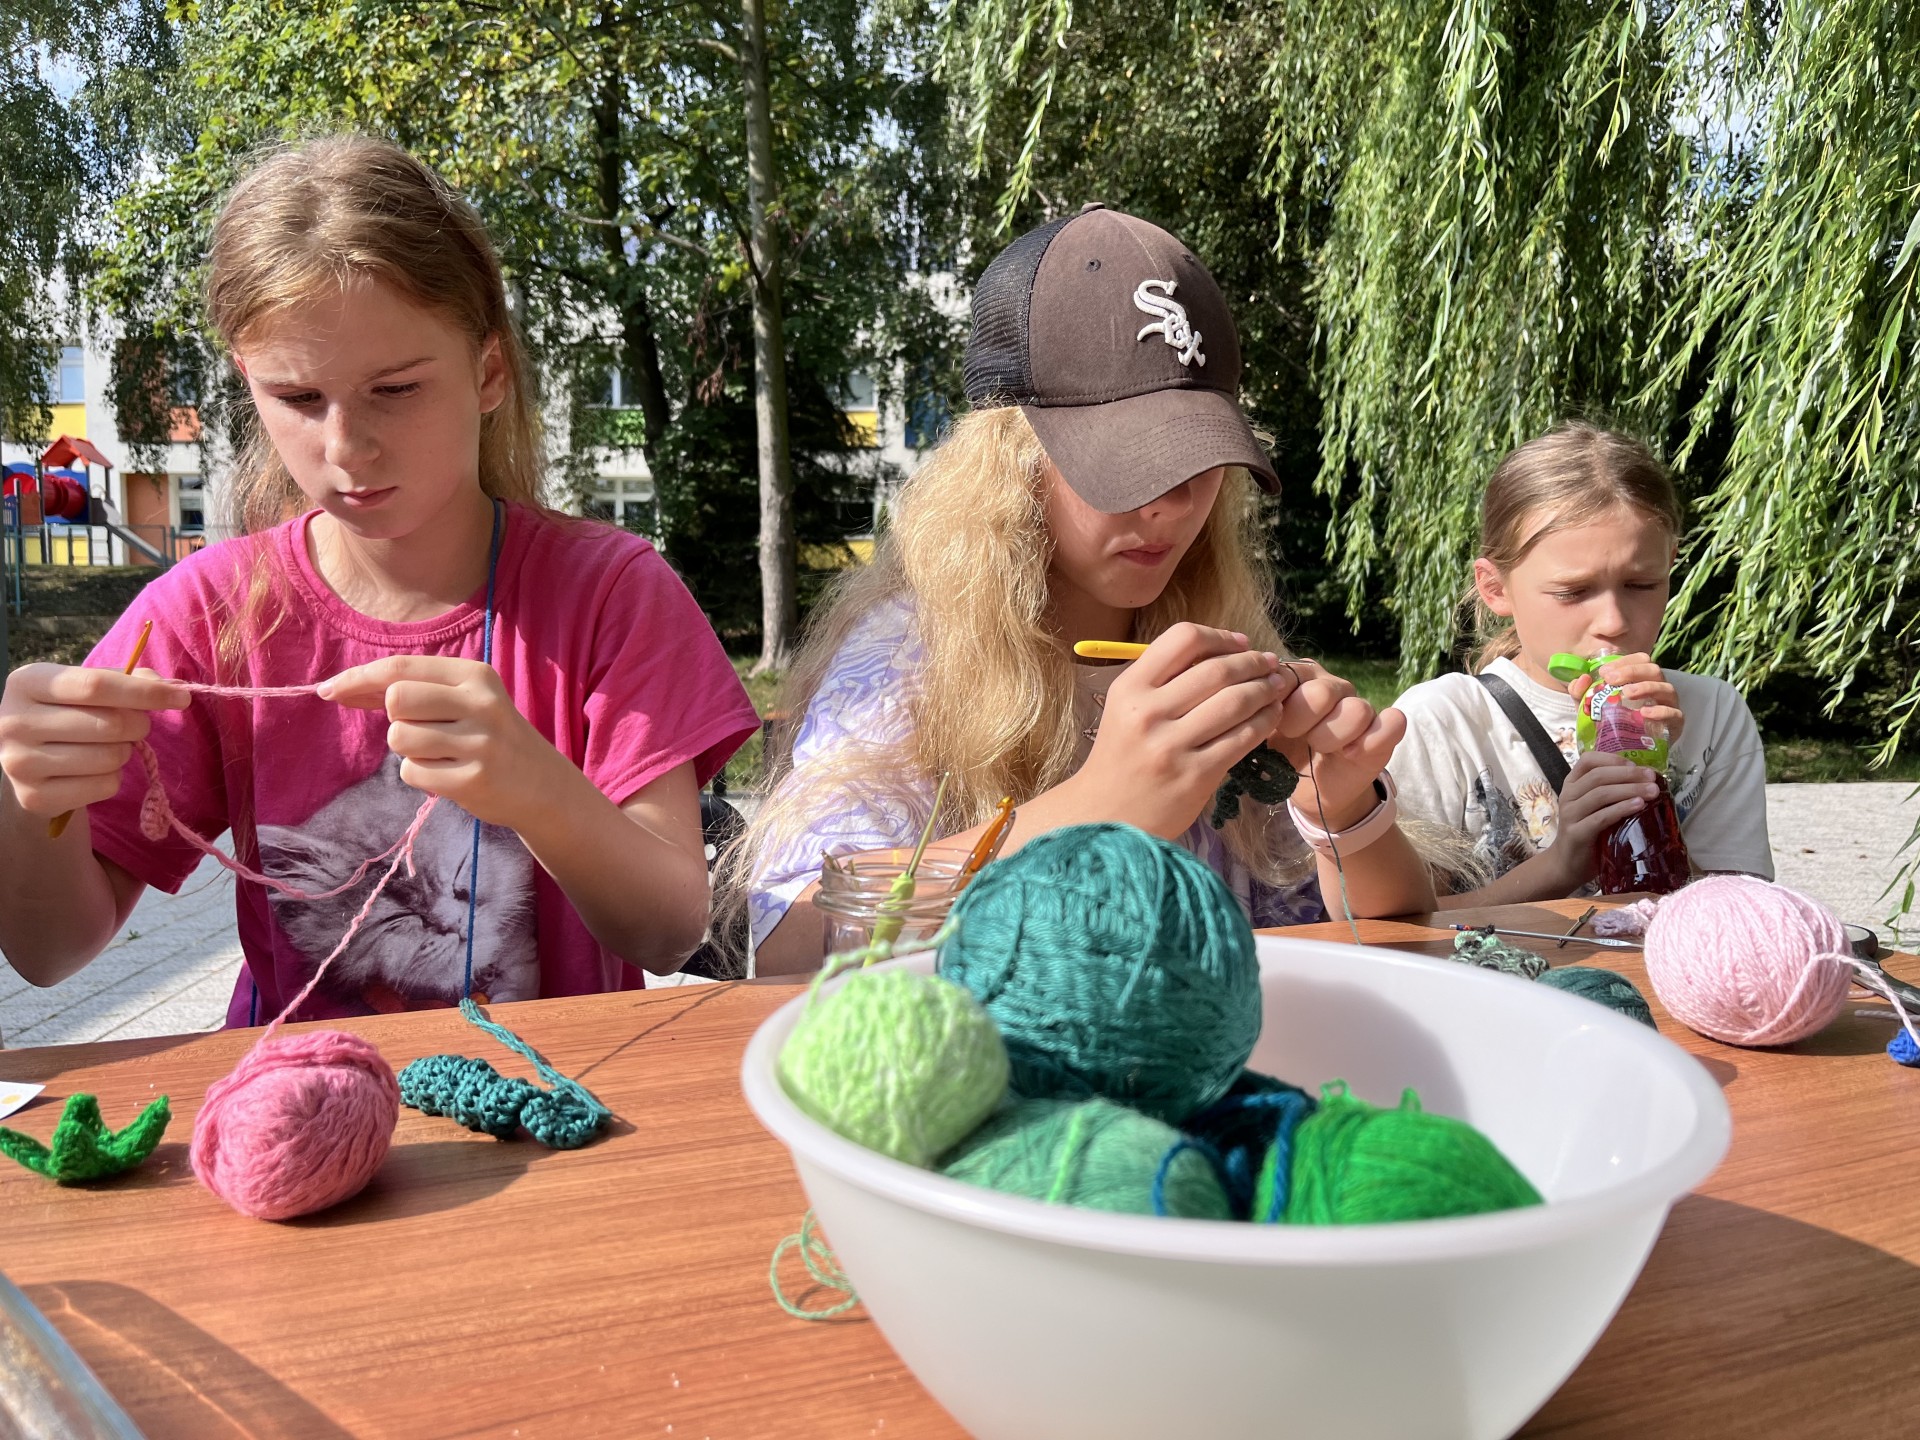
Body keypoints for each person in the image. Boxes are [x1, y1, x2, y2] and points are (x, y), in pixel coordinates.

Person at [0, 136, 759, 1022]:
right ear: (249, 382)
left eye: (395, 390)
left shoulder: (610, 593)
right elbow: (48, 952)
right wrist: (28, 799)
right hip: (293, 1097)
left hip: (555, 1093)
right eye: (298, 398)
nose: (346, 447)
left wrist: (537, 788)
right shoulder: (208, 614)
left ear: (488, 371)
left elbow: (669, 929)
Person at [734, 204, 1435, 975]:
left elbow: (1399, 937)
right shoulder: (909, 656)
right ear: (1009, 462)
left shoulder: (1213, 627)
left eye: (1197, 455)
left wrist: (1343, 809)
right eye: (1124, 458)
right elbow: (787, 943)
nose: (1172, 502)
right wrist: (1102, 805)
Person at [1389, 422, 1773, 904]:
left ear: (1670, 566)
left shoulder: (1712, 712)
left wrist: (1655, 780)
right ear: (1496, 588)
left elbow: (1743, 915)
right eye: (1572, 592)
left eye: (1641, 585)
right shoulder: (1442, 722)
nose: (1613, 622)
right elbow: (1406, 926)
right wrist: (1563, 864)